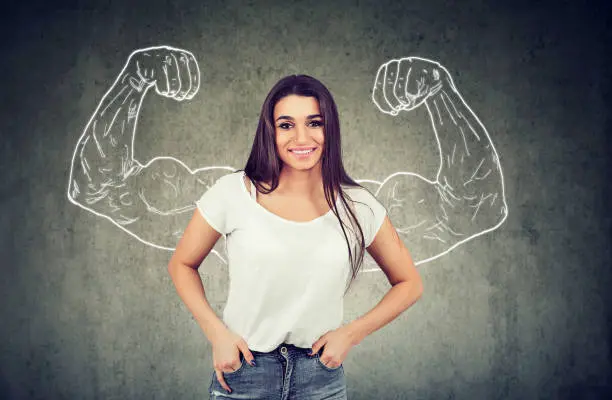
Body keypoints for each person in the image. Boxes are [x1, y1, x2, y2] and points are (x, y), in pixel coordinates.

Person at [167, 74, 423, 399]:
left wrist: (350, 334)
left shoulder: (358, 205)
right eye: (286, 125)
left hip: (320, 379)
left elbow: (410, 283)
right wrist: (216, 333)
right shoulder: (234, 193)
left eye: (314, 122)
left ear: (329, 128)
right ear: (270, 132)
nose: (301, 137)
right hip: (245, 374)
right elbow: (182, 264)